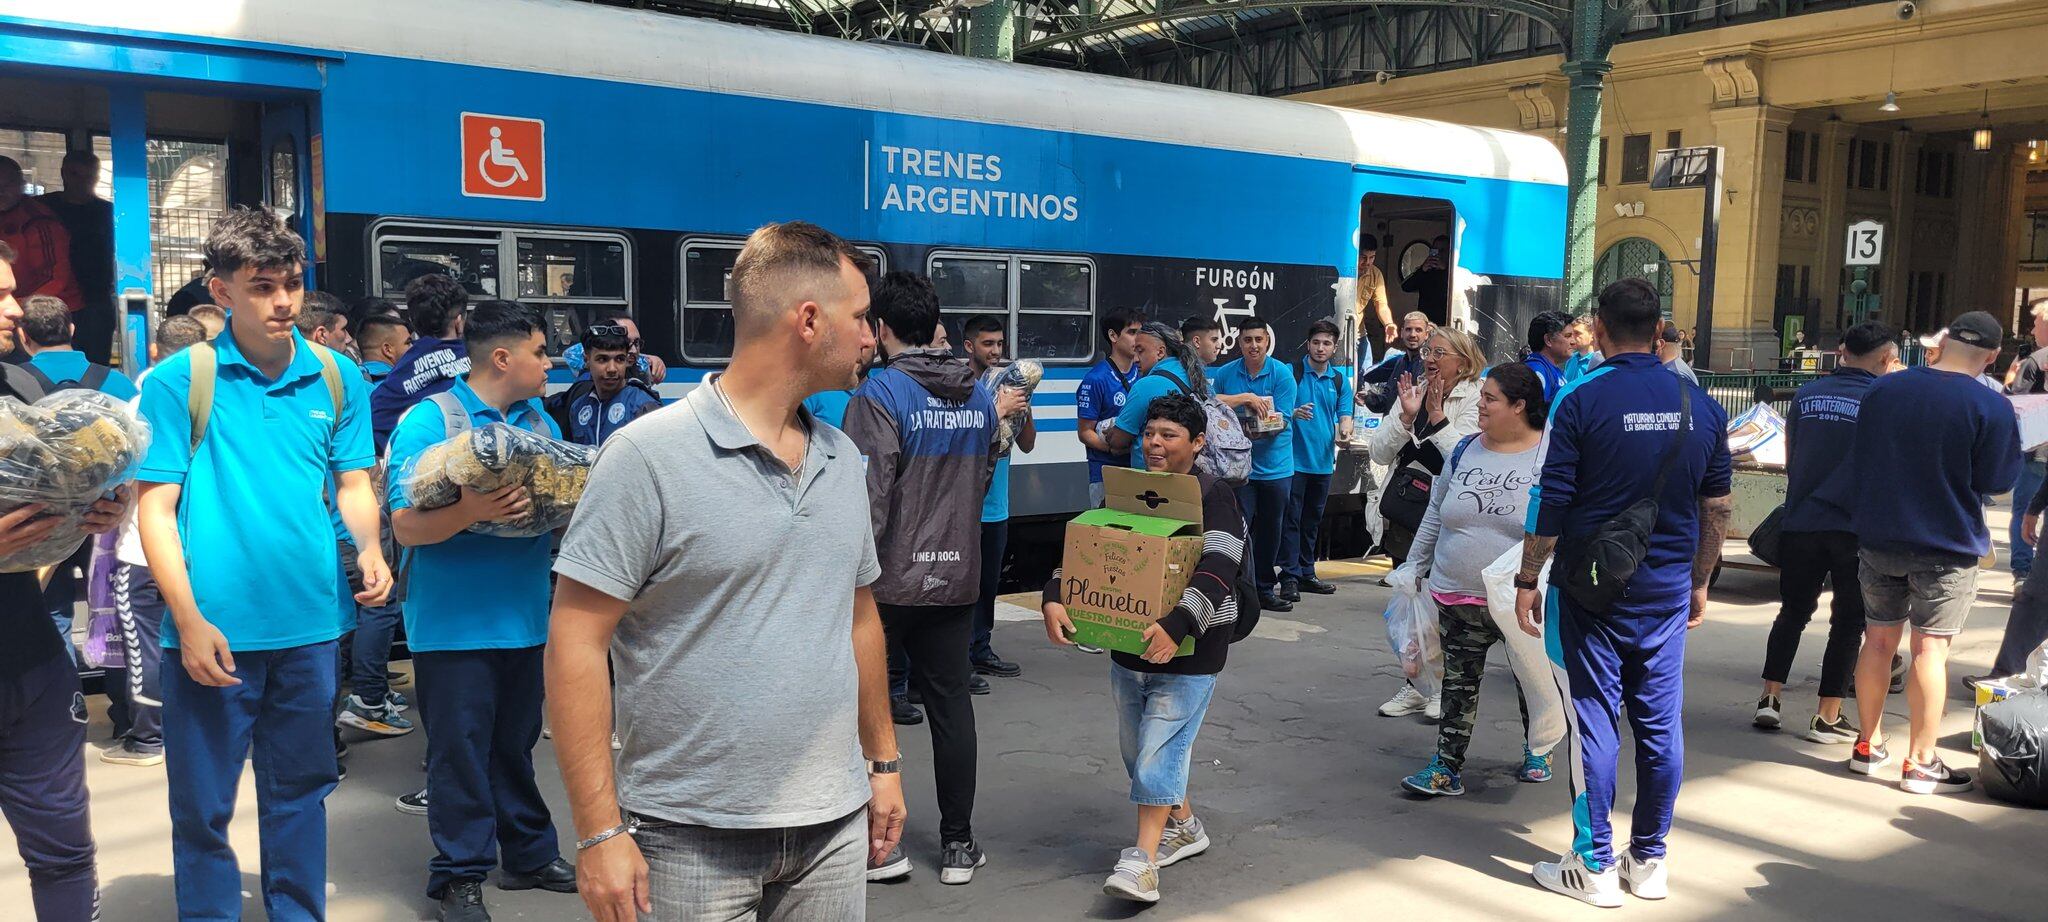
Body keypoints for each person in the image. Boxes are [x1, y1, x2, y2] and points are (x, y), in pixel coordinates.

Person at [546, 221, 905, 921]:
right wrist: (597, 832)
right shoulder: (647, 457)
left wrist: (884, 763)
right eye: (860, 318)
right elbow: (575, 642)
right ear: (809, 320)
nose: (871, 338)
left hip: (833, 828)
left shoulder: (839, 459)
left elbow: (858, 619)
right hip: (685, 840)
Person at [135, 207, 391, 920]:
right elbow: (153, 509)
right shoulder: (180, 381)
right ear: (221, 292)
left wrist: (369, 547)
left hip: (311, 630)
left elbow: (351, 484)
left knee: (301, 796)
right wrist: (186, 621)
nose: (283, 302)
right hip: (212, 634)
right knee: (203, 809)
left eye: (292, 283)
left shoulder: (338, 378)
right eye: (261, 286)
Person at [1511, 278, 1732, 908]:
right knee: (1660, 726)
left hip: (1590, 589)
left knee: (1595, 723)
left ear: (1601, 331)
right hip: (1665, 590)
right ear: (1660, 330)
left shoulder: (1580, 399)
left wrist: (1528, 579)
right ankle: (1651, 860)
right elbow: (1717, 507)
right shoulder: (1701, 406)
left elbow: (1551, 500)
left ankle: (1595, 866)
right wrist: (1699, 581)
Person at [387, 300, 577, 921]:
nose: (550, 363)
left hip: (523, 616)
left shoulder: (538, 422)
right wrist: (472, 512)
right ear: (503, 357)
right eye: (541, 352)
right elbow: (406, 527)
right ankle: (457, 875)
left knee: (515, 744)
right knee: (459, 752)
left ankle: (527, 854)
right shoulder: (429, 421)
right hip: (452, 627)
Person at [1040, 394, 1245, 905]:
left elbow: (1221, 565)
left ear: (1197, 444)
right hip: (1128, 649)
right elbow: (1090, 551)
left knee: (1158, 752)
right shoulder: (1128, 491)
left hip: (1192, 650)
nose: (1154, 443)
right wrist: (1054, 596)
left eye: (1168, 435)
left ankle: (1142, 863)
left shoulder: (1214, 496)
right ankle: (1186, 826)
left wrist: (1177, 624)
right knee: (1138, 752)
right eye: (1151, 432)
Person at [843, 270, 999, 885]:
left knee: (865, 711)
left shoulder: (878, 395)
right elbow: (982, 478)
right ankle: (959, 845)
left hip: (885, 584)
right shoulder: (980, 394)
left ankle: (881, 847)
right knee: (951, 708)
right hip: (958, 577)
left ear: (881, 329)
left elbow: (867, 498)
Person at [0, 240, 133, 921]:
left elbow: (68, 492)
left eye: (12, 290)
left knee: (63, 852)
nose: (14, 308)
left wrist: (105, 506)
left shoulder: (24, 388)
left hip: (29, 662)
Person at [1839, 310, 2020, 794]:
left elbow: (1863, 455)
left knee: (1877, 642)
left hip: (1879, 537)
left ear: (1942, 342)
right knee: (1930, 650)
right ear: (1993, 354)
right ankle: (1920, 761)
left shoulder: (1884, 389)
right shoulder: (1991, 407)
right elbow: (1997, 481)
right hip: (1947, 542)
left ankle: (1866, 745)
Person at [1396, 362, 1565, 797]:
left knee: (1533, 676)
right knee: (1458, 682)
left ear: (1520, 406)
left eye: (1490, 399)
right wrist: (1414, 566)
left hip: (1521, 599)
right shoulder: (1465, 449)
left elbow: (1559, 522)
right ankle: (1445, 767)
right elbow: (1436, 512)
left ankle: (1538, 747)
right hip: (1457, 594)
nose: (1481, 405)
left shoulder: (1551, 454)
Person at [1753, 321, 1897, 741]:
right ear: (1887, 359)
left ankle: (1770, 698)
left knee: (1793, 611)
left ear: (1842, 352)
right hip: (1853, 527)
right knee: (1848, 622)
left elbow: (1792, 452)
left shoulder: (1807, 394)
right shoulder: (1881, 399)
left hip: (1801, 520)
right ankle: (1827, 714)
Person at [102, 315, 210, 769]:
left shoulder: (132, 408)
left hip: (142, 551)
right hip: (200, 551)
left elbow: (114, 485)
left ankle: (148, 739)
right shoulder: (216, 399)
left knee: (145, 644)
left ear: (153, 351)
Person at [17, 292, 139, 665]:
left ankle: (66, 703)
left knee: (52, 613)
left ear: (24, 336)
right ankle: (124, 712)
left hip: (42, 521)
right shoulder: (117, 384)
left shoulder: (15, 386)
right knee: (115, 612)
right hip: (109, 515)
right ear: (72, 329)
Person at [1369, 325, 1484, 719]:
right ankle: (1416, 684)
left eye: (1440, 352)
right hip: (1410, 508)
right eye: (1428, 352)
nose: (1430, 359)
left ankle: (1438, 686)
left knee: (1442, 606)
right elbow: (1379, 452)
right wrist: (1404, 416)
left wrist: (1435, 418)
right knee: (1414, 599)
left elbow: (1463, 460)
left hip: (1455, 514)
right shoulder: (1413, 389)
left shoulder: (1476, 397)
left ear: (1463, 361)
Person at [963, 314, 1034, 681]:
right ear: (969, 346)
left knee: (988, 584)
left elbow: (1027, 445)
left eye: (999, 344)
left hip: (997, 507)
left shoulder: (1008, 386)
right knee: (963, 587)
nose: (995, 351)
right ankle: (958, 659)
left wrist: (1025, 408)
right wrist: (998, 410)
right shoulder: (960, 387)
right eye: (987, 344)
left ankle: (980, 648)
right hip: (965, 508)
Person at [1211, 316, 1298, 612]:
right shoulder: (1225, 373)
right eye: (1247, 340)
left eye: (1259, 340)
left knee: (1271, 530)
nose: (1253, 346)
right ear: (1239, 342)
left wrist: (1245, 424)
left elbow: (1283, 419)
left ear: (1267, 341)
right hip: (1237, 469)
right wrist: (1246, 398)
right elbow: (1211, 404)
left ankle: (1263, 589)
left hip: (1276, 468)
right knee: (1238, 530)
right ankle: (1238, 590)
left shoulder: (1282, 374)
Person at [1280, 319, 1352, 601]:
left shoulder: (1338, 380)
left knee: (1312, 520)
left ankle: (1307, 573)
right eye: (1316, 343)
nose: (1320, 348)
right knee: (1292, 520)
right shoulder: (1292, 372)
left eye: (1326, 344)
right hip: (1293, 461)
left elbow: (1344, 414)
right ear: (1308, 344)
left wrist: (1345, 430)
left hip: (1323, 462)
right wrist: (1293, 412)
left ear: (1334, 348)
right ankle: (1288, 576)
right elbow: (1275, 406)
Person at [371, 273, 472, 452]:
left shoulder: (399, 374)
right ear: (459, 322)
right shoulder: (478, 359)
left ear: (413, 322)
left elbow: (376, 428)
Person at [36, 150, 115, 364]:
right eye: (75, 174)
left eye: (88, 175)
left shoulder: (109, 213)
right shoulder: (40, 209)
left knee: (95, 365)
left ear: (97, 178)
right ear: (63, 174)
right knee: (50, 364)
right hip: (49, 299)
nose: (82, 182)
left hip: (95, 300)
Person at [0, 156, 83, 332]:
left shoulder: (39, 220)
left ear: (21, 185)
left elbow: (54, 277)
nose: (1, 191)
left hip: (53, 309)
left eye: (7, 185)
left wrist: (19, 305)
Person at [1999, 298, 2048, 585]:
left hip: (2035, 450)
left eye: (2037, 323)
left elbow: (2017, 403)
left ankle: (2023, 570)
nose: (2032, 328)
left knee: (2024, 510)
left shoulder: (2033, 361)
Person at [1077, 308, 1146, 506]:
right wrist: (1113, 448)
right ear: (1113, 336)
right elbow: (1084, 432)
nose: (1138, 339)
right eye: (1132, 332)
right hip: (1106, 472)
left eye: (1140, 333)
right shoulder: (1096, 379)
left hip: (1139, 470)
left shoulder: (1144, 374)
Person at [553, 322, 661, 446]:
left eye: (619, 359)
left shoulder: (643, 406)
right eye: (602, 359)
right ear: (586, 360)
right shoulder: (578, 407)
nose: (612, 369)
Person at [561, 312, 667, 386]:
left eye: (637, 343)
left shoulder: (642, 370)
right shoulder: (586, 383)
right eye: (626, 342)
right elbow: (573, 353)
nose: (634, 350)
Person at [1358, 311, 1431, 415]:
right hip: (1392, 427)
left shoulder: (1429, 365)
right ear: (1401, 333)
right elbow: (1386, 401)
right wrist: (1368, 398)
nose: (1413, 334)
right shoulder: (1400, 362)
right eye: (1408, 329)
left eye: (1418, 330)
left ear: (1426, 335)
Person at [1356, 234, 1394, 367]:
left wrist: (1388, 323)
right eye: (1363, 257)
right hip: (1339, 333)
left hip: (1360, 333)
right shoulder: (1345, 270)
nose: (1367, 262)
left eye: (1372, 257)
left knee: (1366, 374)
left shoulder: (1375, 273)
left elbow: (1381, 304)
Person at [1523, 309, 1574, 401]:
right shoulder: (1536, 370)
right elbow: (1534, 412)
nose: (1573, 342)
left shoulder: (1548, 369)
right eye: (1568, 336)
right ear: (1548, 340)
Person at [1401, 235, 1451, 326]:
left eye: (1442, 250)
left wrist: (1445, 270)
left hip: (1446, 322)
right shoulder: (1425, 272)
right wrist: (1422, 269)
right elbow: (1405, 286)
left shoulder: (1454, 274)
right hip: (1426, 322)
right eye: (1435, 250)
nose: (1438, 254)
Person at [357, 313, 414, 385]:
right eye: (408, 343)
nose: (413, 347)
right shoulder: (401, 386)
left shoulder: (347, 379)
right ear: (387, 349)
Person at [295, 291, 357, 358]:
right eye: (343, 329)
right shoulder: (345, 366)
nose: (349, 339)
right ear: (322, 335)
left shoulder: (285, 365)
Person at [1562, 316, 1601, 382]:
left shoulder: (1598, 362)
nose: (1572, 337)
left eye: (1577, 333)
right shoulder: (1570, 359)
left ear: (1592, 335)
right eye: (1571, 334)